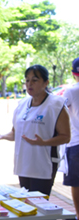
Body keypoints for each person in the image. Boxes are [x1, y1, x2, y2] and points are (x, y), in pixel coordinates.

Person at [0, 65, 70, 196]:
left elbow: (66, 136)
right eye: (27, 80)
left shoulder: (56, 105)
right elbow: (16, 133)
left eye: (34, 80)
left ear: (46, 82)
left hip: (43, 165)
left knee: (39, 206)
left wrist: (44, 142)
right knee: (26, 204)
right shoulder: (22, 104)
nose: (29, 84)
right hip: (23, 165)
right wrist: (2, 136)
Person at [62, 57, 79, 219]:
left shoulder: (71, 91)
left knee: (76, 183)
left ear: (74, 73)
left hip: (75, 144)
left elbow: (59, 111)